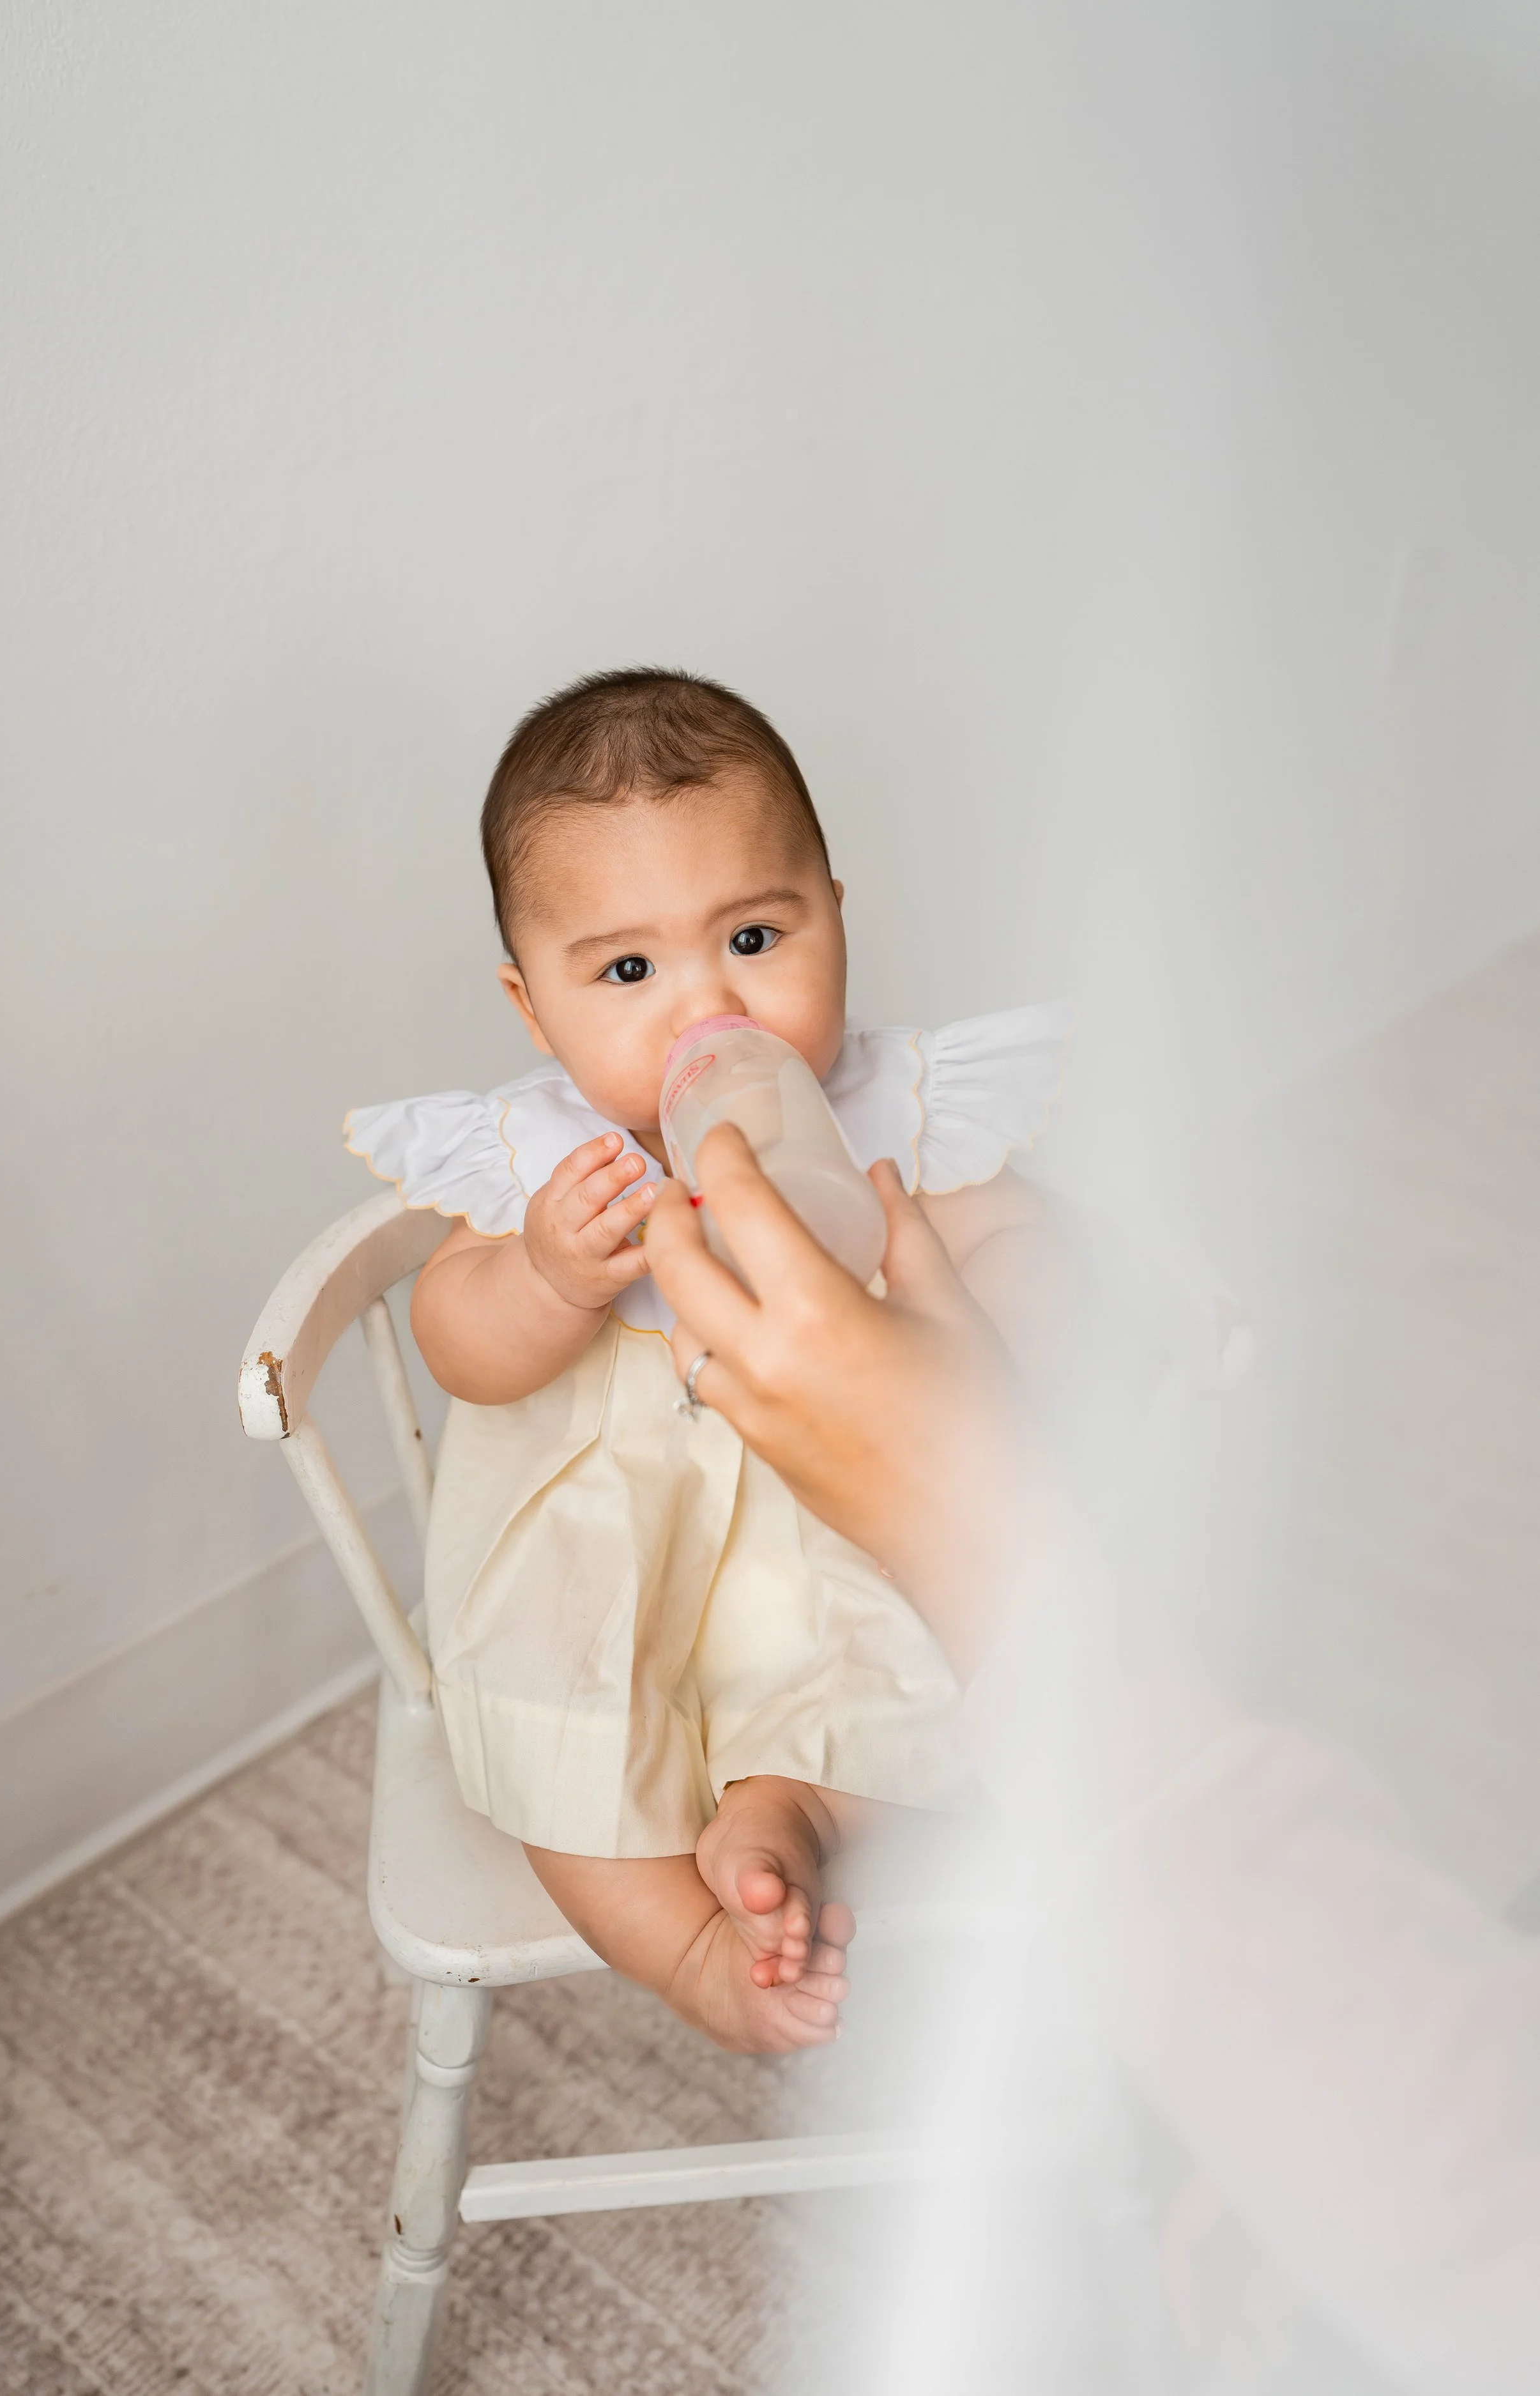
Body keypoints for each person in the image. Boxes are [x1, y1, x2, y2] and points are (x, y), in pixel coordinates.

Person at [645, 1128, 1540, 2396]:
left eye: (761, 929)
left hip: (937, 1617)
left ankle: (773, 1837)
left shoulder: (903, 1126)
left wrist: (965, 1476)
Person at [343, 666, 1074, 2054]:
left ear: (834, 919)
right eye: (626, 971)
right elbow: (460, 1347)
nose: (704, 1011)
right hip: (612, 1539)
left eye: (751, 935)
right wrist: (544, 1276)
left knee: (938, 1674)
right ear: (531, 1007)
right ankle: (686, 1951)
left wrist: (999, 1328)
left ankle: (795, 1810)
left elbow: (1011, 1232)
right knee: (554, 1743)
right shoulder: (540, 1157)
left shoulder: (890, 1109)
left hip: (833, 1506)